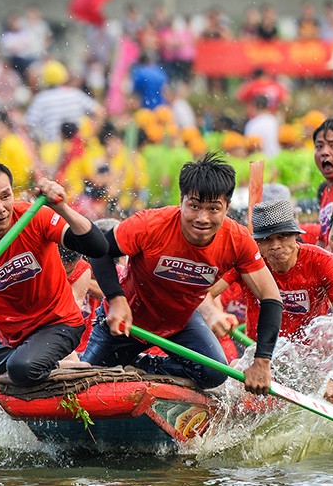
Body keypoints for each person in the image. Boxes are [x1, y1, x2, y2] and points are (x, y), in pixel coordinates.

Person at [82, 153, 282, 394]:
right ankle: (109, 362)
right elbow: (98, 251)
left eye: (213, 209)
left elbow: (271, 297)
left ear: (227, 207)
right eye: (194, 206)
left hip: (180, 321)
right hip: (128, 318)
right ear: (181, 200)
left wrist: (262, 361)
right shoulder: (150, 224)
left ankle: (142, 366)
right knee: (88, 375)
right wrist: (116, 300)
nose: (202, 218)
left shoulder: (238, 240)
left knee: (214, 373)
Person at [0, 161, 108, 395]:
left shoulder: (34, 217)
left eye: (5, 196)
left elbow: (98, 247)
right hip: (11, 335)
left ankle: (72, 368)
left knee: (21, 369)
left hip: (59, 324)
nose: (0, 208)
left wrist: (62, 207)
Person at [210, 199, 333, 403]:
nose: (275, 247)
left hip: (307, 364)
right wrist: (214, 314)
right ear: (257, 243)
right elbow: (204, 295)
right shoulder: (248, 262)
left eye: (282, 237)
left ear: (296, 235)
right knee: (228, 380)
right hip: (259, 357)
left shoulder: (324, 263)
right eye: (267, 240)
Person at [24, 60, 103, 145]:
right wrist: (90, 136)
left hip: (52, 150)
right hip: (77, 147)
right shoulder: (75, 94)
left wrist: (38, 144)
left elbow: (29, 124)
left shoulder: (40, 99)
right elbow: (100, 112)